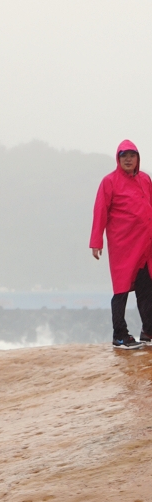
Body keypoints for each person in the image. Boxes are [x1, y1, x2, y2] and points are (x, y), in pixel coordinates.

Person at [90, 139, 152, 348]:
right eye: (124, 156)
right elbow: (100, 211)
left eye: (132, 155)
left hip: (145, 244)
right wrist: (96, 240)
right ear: (118, 159)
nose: (128, 159)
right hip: (123, 244)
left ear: (137, 158)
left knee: (146, 287)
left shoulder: (145, 179)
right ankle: (119, 334)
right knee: (121, 289)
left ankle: (148, 330)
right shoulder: (109, 182)